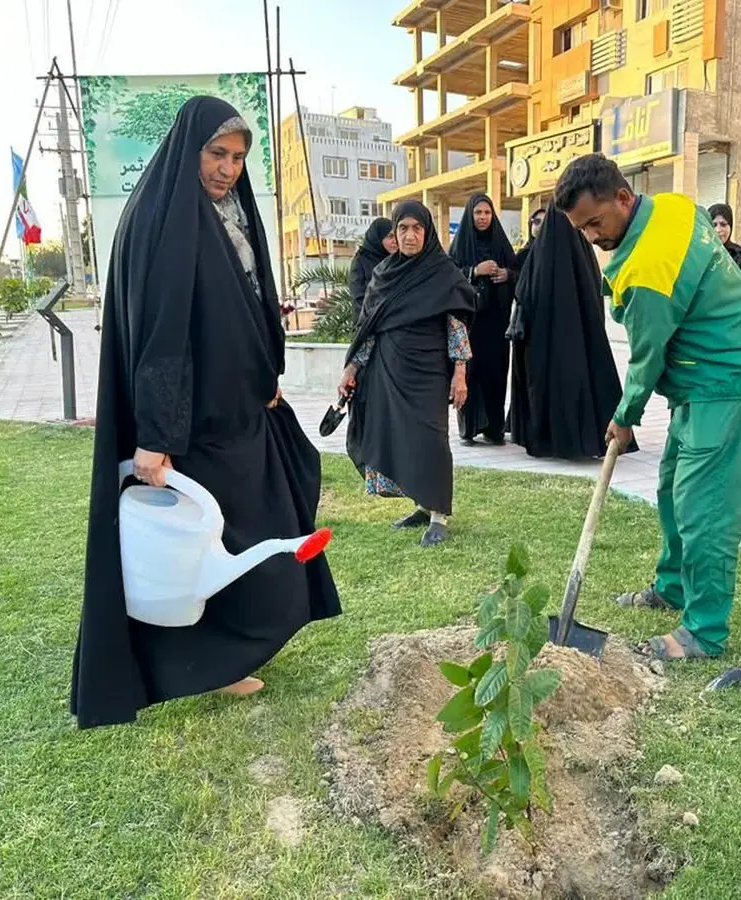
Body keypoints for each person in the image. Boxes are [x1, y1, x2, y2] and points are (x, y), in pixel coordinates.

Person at [71, 97, 341, 728]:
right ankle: (205, 661)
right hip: (192, 428)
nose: (228, 169)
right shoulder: (164, 219)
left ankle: (222, 656)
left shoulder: (223, 212)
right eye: (217, 154)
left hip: (237, 415)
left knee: (254, 529)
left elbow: (245, 304)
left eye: (239, 157)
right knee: (204, 551)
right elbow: (163, 337)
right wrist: (156, 438)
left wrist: (264, 375)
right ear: (189, 149)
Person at [554, 153, 741, 663]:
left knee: (704, 510)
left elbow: (647, 355)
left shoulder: (650, 270)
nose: (591, 236)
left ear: (624, 199)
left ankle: (705, 629)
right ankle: (672, 586)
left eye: (595, 222)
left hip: (726, 382)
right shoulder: (674, 206)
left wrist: (625, 416)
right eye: (581, 228)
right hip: (698, 380)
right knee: (672, 492)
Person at [340, 200, 476, 548]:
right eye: (403, 228)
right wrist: (352, 368)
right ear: (395, 233)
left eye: (417, 228)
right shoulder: (383, 275)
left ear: (427, 232)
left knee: (431, 439)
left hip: (428, 371)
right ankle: (421, 504)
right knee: (401, 439)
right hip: (389, 371)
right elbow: (368, 328)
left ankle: (439, 515)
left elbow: (456, 326)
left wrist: (460, 372)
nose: (410, 235)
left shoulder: (442, 273)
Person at [509, 203, 627, 459]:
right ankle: (580, 440)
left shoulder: (538, 258)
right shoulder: (581, 255)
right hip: (578, 345)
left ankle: (547, 440)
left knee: (545, 389)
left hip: (541, 346)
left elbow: (523, 296)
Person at [449, 194, 518, 446]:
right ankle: (468, 429)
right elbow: (448, 276)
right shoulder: (460, 247)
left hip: (497, 324)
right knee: (470, 374)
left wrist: (506, 274)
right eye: (478, 213)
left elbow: (518, 272)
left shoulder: (501, 244)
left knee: (496, 373)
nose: (482, 218)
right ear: (470, 215)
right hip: (469, 325)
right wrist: (474, 272)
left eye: (487, 213)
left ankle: (494, 429)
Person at [349, 217, 397, 324]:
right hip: (370, 325)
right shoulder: (361, 261)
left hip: (396, 326)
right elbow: (358, 297)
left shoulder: (397, 260)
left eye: (396, 236)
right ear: (377, 238)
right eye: (390, 236)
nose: (395, 241)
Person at [512, 207, 546, 277]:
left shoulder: (557, 254)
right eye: (537, 221)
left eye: (546, 223)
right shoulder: (523, 254)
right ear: (530, 225)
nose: (541, 226)